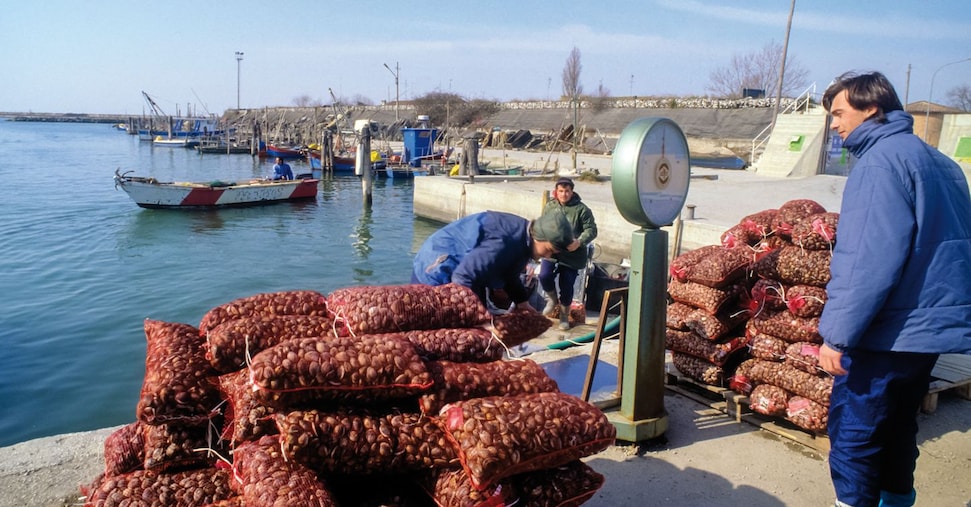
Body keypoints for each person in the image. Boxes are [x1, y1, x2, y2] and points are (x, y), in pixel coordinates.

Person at [817, 71, 971, 507]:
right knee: (899, 429)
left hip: (888, 332)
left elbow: (868, 261)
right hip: (926, 333)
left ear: (873, 109)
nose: (833, 124)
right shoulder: (939, 162)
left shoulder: (880, 163)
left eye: (839, 113)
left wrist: (837, 335)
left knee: (854, 439)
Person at [412, 210, 574, 310]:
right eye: (549, 250)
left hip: (469, 271)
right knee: (435, 329)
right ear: (538, 237)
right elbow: (463, 277)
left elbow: (509, 273)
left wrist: (521, 301)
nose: (548, 256)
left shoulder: (524, 239)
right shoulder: (504, 242)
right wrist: (480, 317)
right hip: (437, 266)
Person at [538, 177, 598, 330]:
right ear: (556, 192)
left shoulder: (582, 210)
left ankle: (564, 314)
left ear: (572, 192)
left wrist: (579, 241)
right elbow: (543, 224)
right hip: (552, 250)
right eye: (561, 191)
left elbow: (591, 230)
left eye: (567, 191)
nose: (564, 194)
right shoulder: (550, 206)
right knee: (544, 275)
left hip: (572, 253)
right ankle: (552, 299)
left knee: (566, 284)